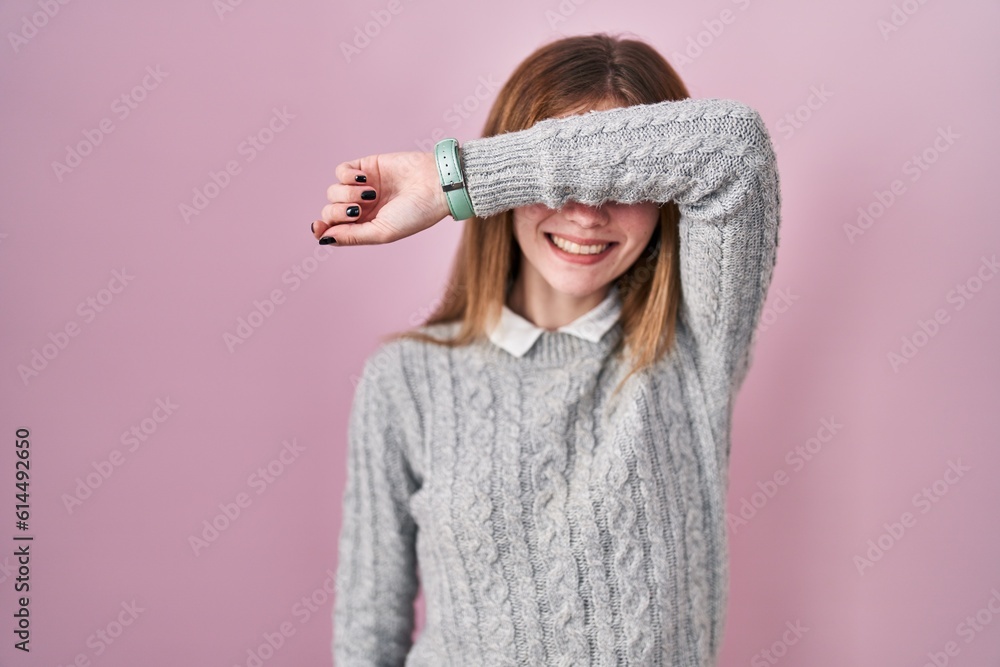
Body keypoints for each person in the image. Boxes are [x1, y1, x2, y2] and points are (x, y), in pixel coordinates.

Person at [316, 32, 782, 667]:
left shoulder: (690, 353)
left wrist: (455, 179)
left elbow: (733, 150)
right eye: (561, 175)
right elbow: (367, 629)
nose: (588, 212)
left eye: (625, 176)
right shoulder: (405, 378)